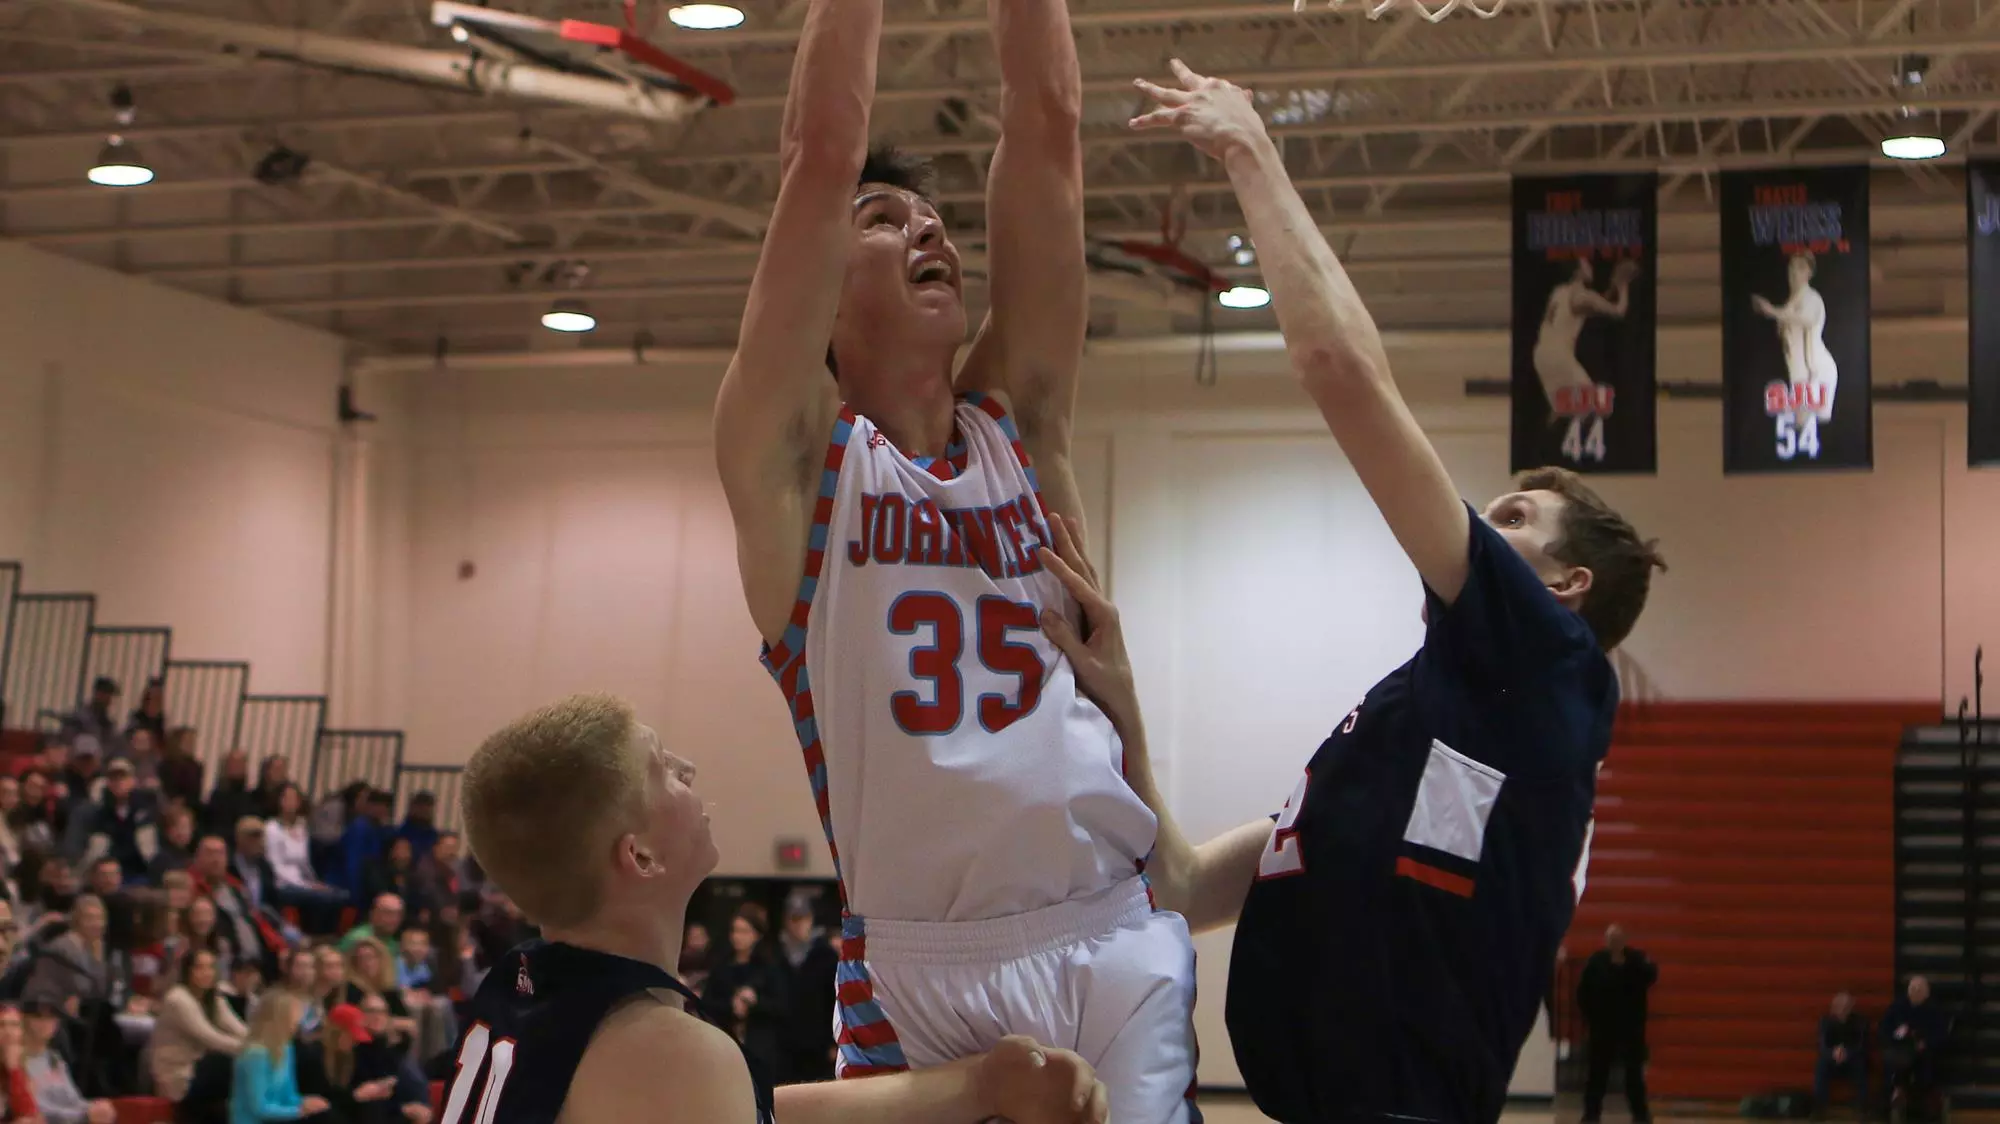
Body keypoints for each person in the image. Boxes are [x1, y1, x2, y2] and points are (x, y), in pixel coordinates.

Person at [1024, 58, 1670, 1124]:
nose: (1478, 523)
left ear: (1565, 585)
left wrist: (1250, 148)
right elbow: (1180, 883)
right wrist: (1122, 698)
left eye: (1513, 519)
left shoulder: (1547, 667)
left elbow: (1339, 367)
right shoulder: (1416, 721)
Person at [711, 0, 1195, 1108]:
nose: (929, 232)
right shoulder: (799, 464)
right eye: (885, 220)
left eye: (935, 220)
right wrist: (838, 179)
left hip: (1106, 924)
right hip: (920, 968)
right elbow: (820, 149)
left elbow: (1048, 119)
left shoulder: (1020, 423)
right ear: (820, 285)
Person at [446, 693, 1110, 1124]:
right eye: (661, 767)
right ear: (640, 856)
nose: (688, 767)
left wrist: (977, 1086)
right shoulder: (667, 1055)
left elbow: (754, 1109)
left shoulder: (523, 987)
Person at [1533, 258, 1637, 418]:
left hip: (1541, 355)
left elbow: (1592, 306)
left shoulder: (1559, 291)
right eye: (1585, 263)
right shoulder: (1583, 296)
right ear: (1578, 272)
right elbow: (1618, 311)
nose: (1589, 265)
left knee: (1561, 410)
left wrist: (1612, 289)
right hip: (1559, 356)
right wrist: (1623, 286)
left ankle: (1552, 431)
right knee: (1594, 404)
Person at [1577, 925, 1657, 1124]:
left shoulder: (1636, 959)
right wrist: (1590, 1017)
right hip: (1602, 1027)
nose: (1615, 943)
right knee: (1597, 1073)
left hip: (1631, 1027)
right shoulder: (1596, 961)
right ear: (1606, 941)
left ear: (1624, 940)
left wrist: (1644, 964)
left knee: (1634, 1075)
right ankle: (1591, 1114)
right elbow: (1583, 992)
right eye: (1612, 939)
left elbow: (1651, 976)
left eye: (1618, 939)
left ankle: (1640, 1115)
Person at [149, 948, 248, 1101]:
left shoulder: (213, 997)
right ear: (188, 971)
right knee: (224, 1065)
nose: (206, 973)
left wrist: (263, 1042)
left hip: (198, 1070)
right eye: (199, 968)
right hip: (177, 1075)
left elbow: (239, 1028)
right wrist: (252, 1047)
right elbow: (211, 1038)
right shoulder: (177, 999)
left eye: (210, 967)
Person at [232, 990, 330, 1124]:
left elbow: (288, 1095)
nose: (298, 1022)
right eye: (294, 1017)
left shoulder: (286, 1048)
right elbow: (259, 1108)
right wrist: (299, 1111)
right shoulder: (254, 1055)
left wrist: (304, 1102)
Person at [20, 1000, 116, 1124]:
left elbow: (73, 1100)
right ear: (24, 1020)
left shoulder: (54, 1057)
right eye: (38, 1017)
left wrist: (94, 1107)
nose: (46, 1023)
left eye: (52, 1017)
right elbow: (37, 1110)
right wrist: (84, 1115)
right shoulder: (18, 1061)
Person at [1883, 975, 1949, 1115]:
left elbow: (1941, 1034)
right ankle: (1895, 1097)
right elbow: (1885, 1029)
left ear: (1927, 993)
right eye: (1913, 988)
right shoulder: (1897, 1007)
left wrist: (1926, 1043)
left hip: (1924, 1051)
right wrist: (1896, 1037)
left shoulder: (1934, 1010)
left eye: (1919, 990)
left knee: (1925, 1067)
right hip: (1900, 1049)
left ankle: (1920, 1106)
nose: (1915, 992)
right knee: (1893, 1062)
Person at [1816, 990, 1868, 1118]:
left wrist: (1846, 1053)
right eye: (1840, 1005)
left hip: (1852, 1058)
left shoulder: (1860, 1021)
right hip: (1832, 1059)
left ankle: (1862, 1107)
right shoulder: (1825, 1021)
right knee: (1821, 1065)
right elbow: (1823, 1045)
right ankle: (1820, 1108)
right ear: (1834, 1006)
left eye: (1846, 1006)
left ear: (1851, 1007)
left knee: (1862, 1064)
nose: (1843, 1009)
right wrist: (1833, 1053)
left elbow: (1861, 1045)